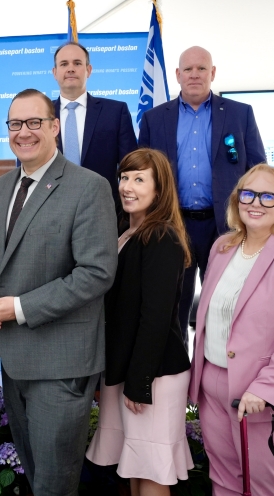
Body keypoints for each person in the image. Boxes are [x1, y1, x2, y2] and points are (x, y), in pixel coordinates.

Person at [0, 89, 118, 495]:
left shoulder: (88, 187)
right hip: (13, 360)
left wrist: (19, 307)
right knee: (37, 475)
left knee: (55, 483)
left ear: (55, 126)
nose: (24, 132)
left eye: (34, 122)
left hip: (61, 364)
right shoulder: (2, 188)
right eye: (15, 124)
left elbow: (96, 273)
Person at [188, 164, 274, 495]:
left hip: (265, 397)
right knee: (223, 485)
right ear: (237, 199)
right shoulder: (223, 248)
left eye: (268, 196)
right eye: (248, 194)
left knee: (270, 490)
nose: (256, 203)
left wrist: (265, 387)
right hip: (214, 390)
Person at [138, 46, 266, 342]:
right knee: (172, 306)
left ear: (213, 73)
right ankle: (177, 377)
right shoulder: (154, 119)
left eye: (201, 68)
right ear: (177, 75)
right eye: (188, 69)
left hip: (224, 225)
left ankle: (215, 377)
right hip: (172, 224)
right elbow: (141, 175)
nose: (194, 74)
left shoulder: (239, 114)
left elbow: (258, 170)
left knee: (223, 304)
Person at [86, 148, 194, 496]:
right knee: (136, 469)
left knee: (151, 473)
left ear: (159, 189)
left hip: (153, 375)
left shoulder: (160, 236)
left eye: (139, 179)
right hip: (130, 370)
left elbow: (156, 317)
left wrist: (140, 380)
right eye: (124, 177)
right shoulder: (127, 232)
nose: (127, 186)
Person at [51, 42, 138, 208]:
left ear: (88, 70)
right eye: (64, 64)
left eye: (77, 63)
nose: (70, 69)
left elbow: (132, 166)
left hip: (103, 208)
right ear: (55, 73)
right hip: (52, 209)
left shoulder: (115, 112)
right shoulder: (41, 114)